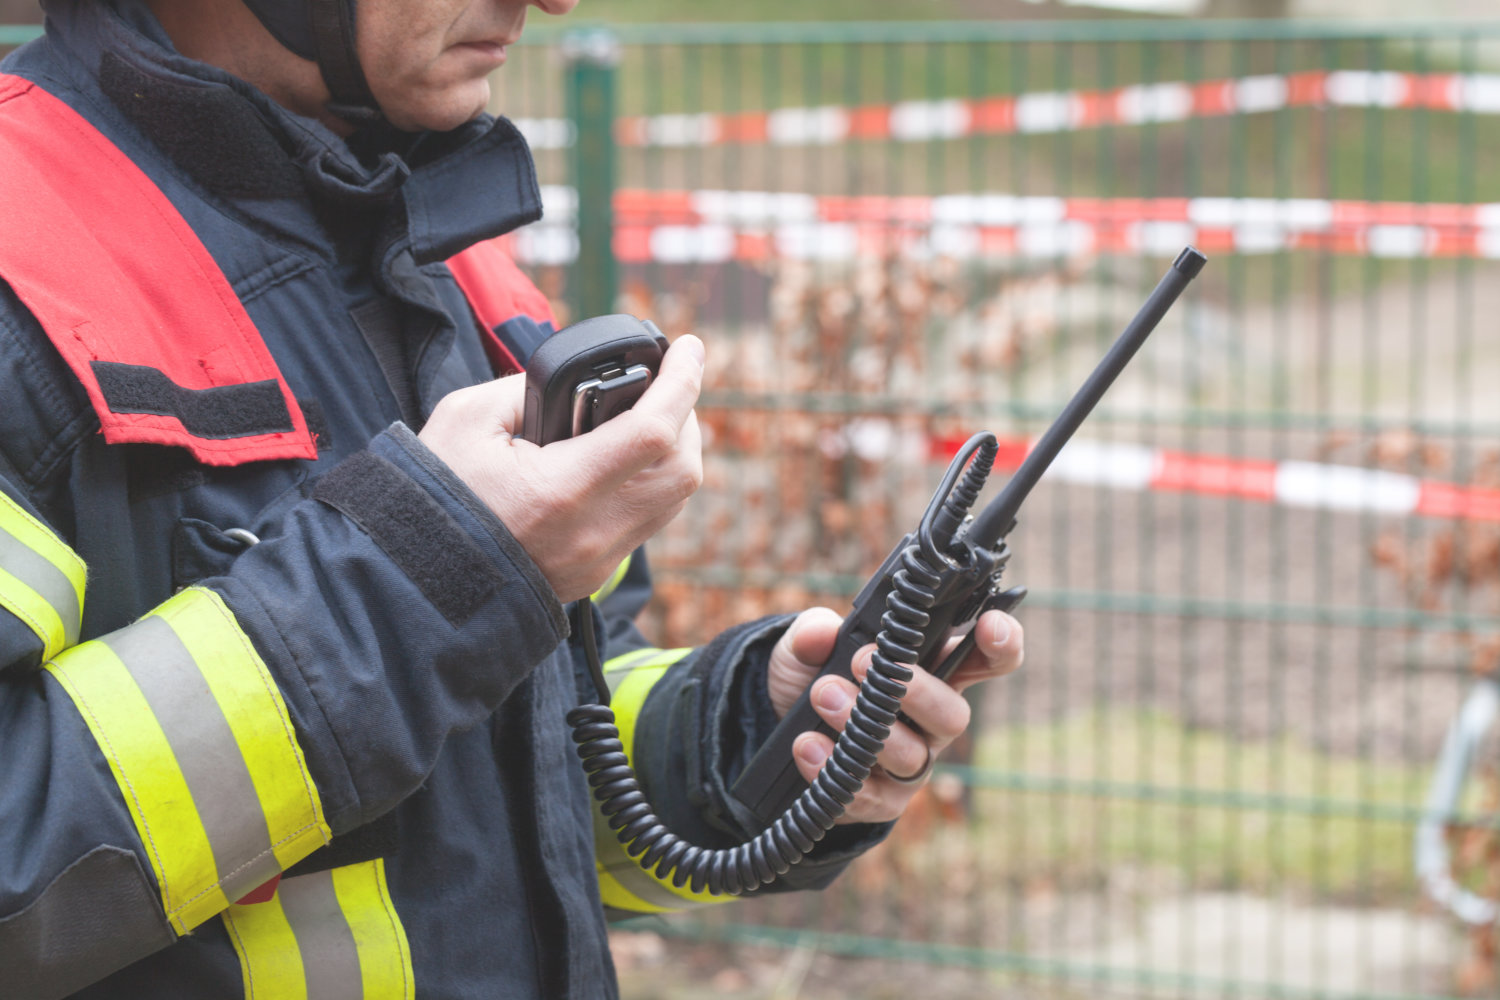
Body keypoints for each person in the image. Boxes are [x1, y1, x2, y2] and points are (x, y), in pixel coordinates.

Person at [0, 1, 1025, 997]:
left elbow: (535, 772)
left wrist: (744, 737)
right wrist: (426, 575)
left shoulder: (451, 266)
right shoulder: (20, 269)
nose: (553, 1)